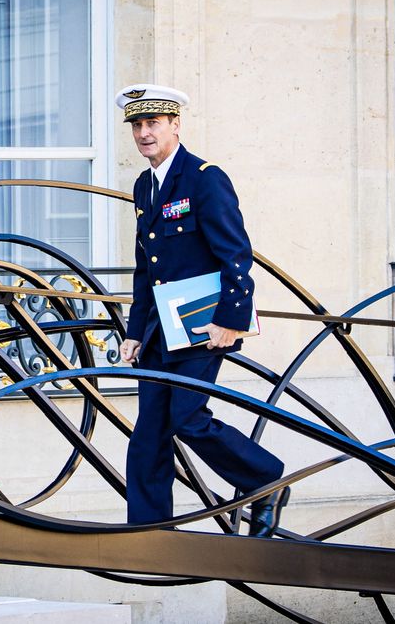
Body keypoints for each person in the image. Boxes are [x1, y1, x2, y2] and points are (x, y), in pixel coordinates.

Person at [115, 83, 289, 537]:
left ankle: (266, 480)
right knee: (149, 430)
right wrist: (135, 331)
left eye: (153, 123)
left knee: (187, 419)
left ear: (175, 124)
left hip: (202, 324)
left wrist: (231, 321)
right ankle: (149, 532)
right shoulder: (144, 186)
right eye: (137, 125)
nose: (144, 133)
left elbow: (235, 253)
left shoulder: (204, 177)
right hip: (158, 328)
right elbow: (144, 267)